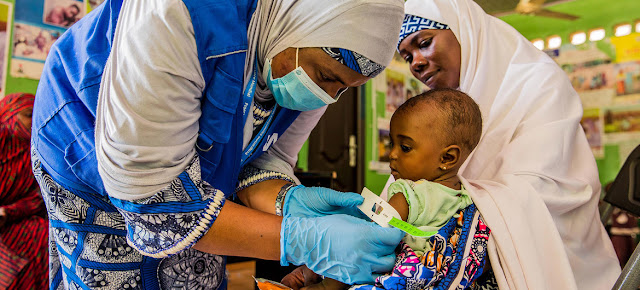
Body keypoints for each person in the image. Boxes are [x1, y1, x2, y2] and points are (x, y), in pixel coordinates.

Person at [32, 0, 406, 288]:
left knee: (198, 272)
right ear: (299, 20)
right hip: (87, 145)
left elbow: (262, 160)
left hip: (181, 181)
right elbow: (154, 207)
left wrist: (287, 202)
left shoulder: (303, 49)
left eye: (342, 88)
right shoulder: (183, 15)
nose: (328, 97)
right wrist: (302, 240)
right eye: (325, 76)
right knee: (116, 273)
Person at [395, 0, 621, 288]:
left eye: (424, 43)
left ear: (466, 32)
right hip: (464, 254)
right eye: (406, 56)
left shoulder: (539, 84)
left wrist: (435, 206)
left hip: (551, 255)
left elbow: (541, 190)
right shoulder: (443, 115)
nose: (416, 62)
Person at [284, 88, 492, 290]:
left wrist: (328, 285)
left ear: (448, 158)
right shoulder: (467, 198)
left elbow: (363, 245)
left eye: (405, 147)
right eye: (392, 144)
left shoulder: (408, 194)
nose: (392, 154)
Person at [0, 93, 48, 290]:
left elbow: (37, 199)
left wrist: (8, 212)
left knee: (41, 235)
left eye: (37, 115)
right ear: (8, 114)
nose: (33, 121)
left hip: (12, 221)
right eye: (28, 114)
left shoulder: (39, 154)